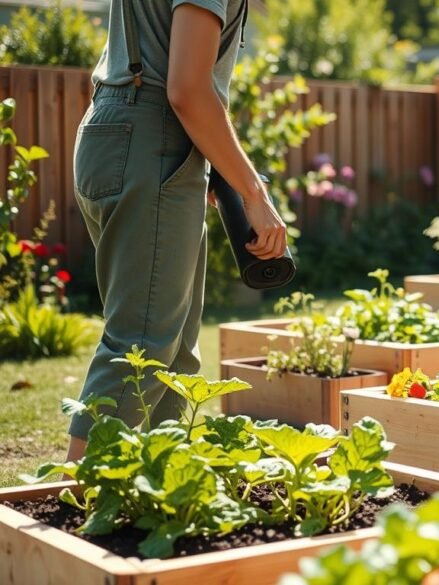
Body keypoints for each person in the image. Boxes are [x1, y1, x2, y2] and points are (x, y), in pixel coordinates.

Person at [66, 0, 287, 460]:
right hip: (153, 138)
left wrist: (213, 163)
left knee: (174, 349)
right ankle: (72, 505)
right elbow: (186, 89)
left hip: (122, 130)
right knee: (142, 342)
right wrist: (254, 194)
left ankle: (164, 496)